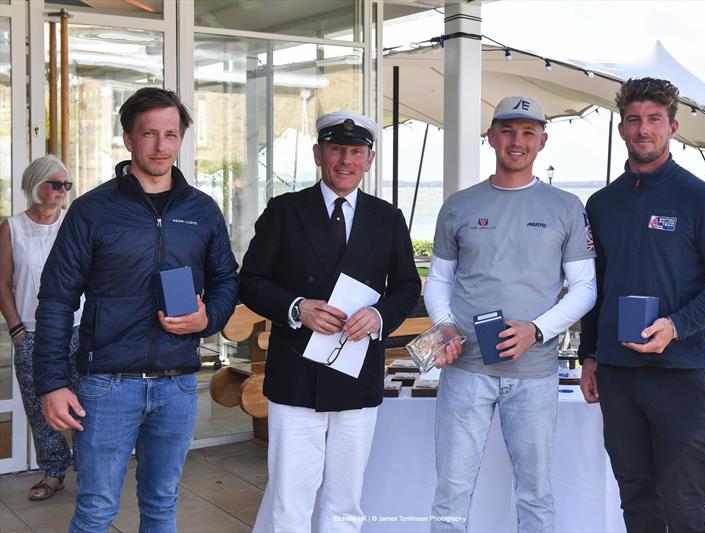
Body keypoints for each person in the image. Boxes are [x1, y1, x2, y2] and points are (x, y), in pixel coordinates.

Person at [33, 87, 239, 532]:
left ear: (181, 139)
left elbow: (227, 280)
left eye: (170, 134)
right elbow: (56, 299)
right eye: (149, 134)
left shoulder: (202, 211)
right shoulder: (92, 211)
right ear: (128, 139)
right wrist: (52, 383)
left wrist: (209, 319)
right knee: (96, 510)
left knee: (163, 504)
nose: (161, 145)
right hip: (107, 385)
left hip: (179, 384)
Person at [578, 77, 705, 533]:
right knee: (636, 502)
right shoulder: (600, 203)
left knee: (685, 507)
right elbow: (595, 286)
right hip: (617, 375)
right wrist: (590, 355)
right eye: (634, 120)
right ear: (621, 129)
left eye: (654, 119)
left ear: (672, 127)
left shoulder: (703, 200)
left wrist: (676, 325)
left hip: (679, 375)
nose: (643, 129)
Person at [241, 112, 420, 533]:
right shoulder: (284, 211)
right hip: (296, 377)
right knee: (290, 501)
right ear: (319, 154)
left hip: (356, 374)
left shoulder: (387, 217)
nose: (346, 160)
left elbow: (408, 287)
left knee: (345, 504)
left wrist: (378, 316)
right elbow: (248, 281)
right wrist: (297, 306)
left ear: (369, 160)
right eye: (337, 149)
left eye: (356, 151)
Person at [425, 96, 597, 532]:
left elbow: (585, 288)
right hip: (464, 369)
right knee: (451, 492)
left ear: (542, 140)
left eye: (527, 132)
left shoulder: (566, 207)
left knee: (535, 494)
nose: (516, 141)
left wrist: (536, 331)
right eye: (506, 130)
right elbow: (440, 281)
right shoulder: (458, 205)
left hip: (535, 375)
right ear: (490, 136)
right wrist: (444, 324)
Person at [0, 156, 82, 501]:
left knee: (84, 404)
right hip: (32, 332)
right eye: (56, 184)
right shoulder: (12, 227)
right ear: (36, 186)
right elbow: (2, 282)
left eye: (66, 185)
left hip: (76, 328)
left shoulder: (74, 224)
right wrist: (17, 329)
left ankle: (90, 469)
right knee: (40, 406)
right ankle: (53, 471)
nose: (63, 191)